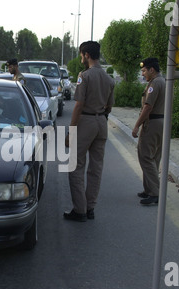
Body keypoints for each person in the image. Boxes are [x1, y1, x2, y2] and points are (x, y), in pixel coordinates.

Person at [64, 41, 115, 222]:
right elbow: (109, 106)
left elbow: (78, 105)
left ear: (86, 54)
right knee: (96, 168)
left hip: (85, 121)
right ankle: (90, 207)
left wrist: (71, 131)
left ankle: (80, 210)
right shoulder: (109, 78)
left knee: (76, 166)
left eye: (81, 55)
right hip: (101, 121)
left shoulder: (84, 76)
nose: (81, 58)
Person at [132, 57, 166, 206]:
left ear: (152, 70)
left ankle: (154, 192)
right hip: (161, 122)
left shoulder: (155, 83)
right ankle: (149, 189)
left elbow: (148, 107)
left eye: (144, 71)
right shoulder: (163, 81)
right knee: (154, 157)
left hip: (152, 123)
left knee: (145, 156)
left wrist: (137, 125)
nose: (143, 74)